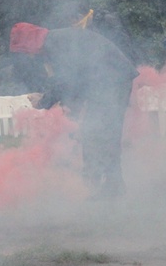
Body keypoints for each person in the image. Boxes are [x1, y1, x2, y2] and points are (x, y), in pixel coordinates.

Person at [9, 22, 138, 198]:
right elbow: (75, 80)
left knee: (101, 133)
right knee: (100, 133)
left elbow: (65, 81)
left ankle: (105, 187)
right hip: (108, 81)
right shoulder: (55, 42)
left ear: (30, 42)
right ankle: (109, 186)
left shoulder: (55, 45)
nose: (28, 56)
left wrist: (43, 101)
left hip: (112, 81)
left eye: (25, 50)